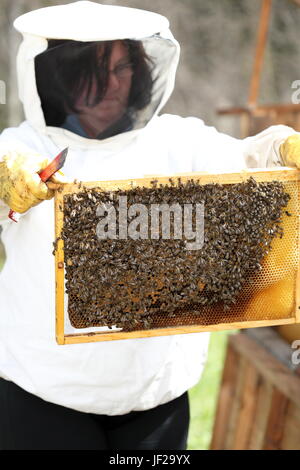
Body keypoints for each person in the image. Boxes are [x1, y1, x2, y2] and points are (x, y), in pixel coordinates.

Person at [0, 1, 299, 450]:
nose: (113, 83)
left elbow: (247, 158)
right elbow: (7, 163)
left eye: (124, 67)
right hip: (43, 391)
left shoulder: (177, 140)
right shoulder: (25, 145)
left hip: (155, 395)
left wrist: (282, 146)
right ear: (58, 74)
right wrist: (10, 176)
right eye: (95, 70)